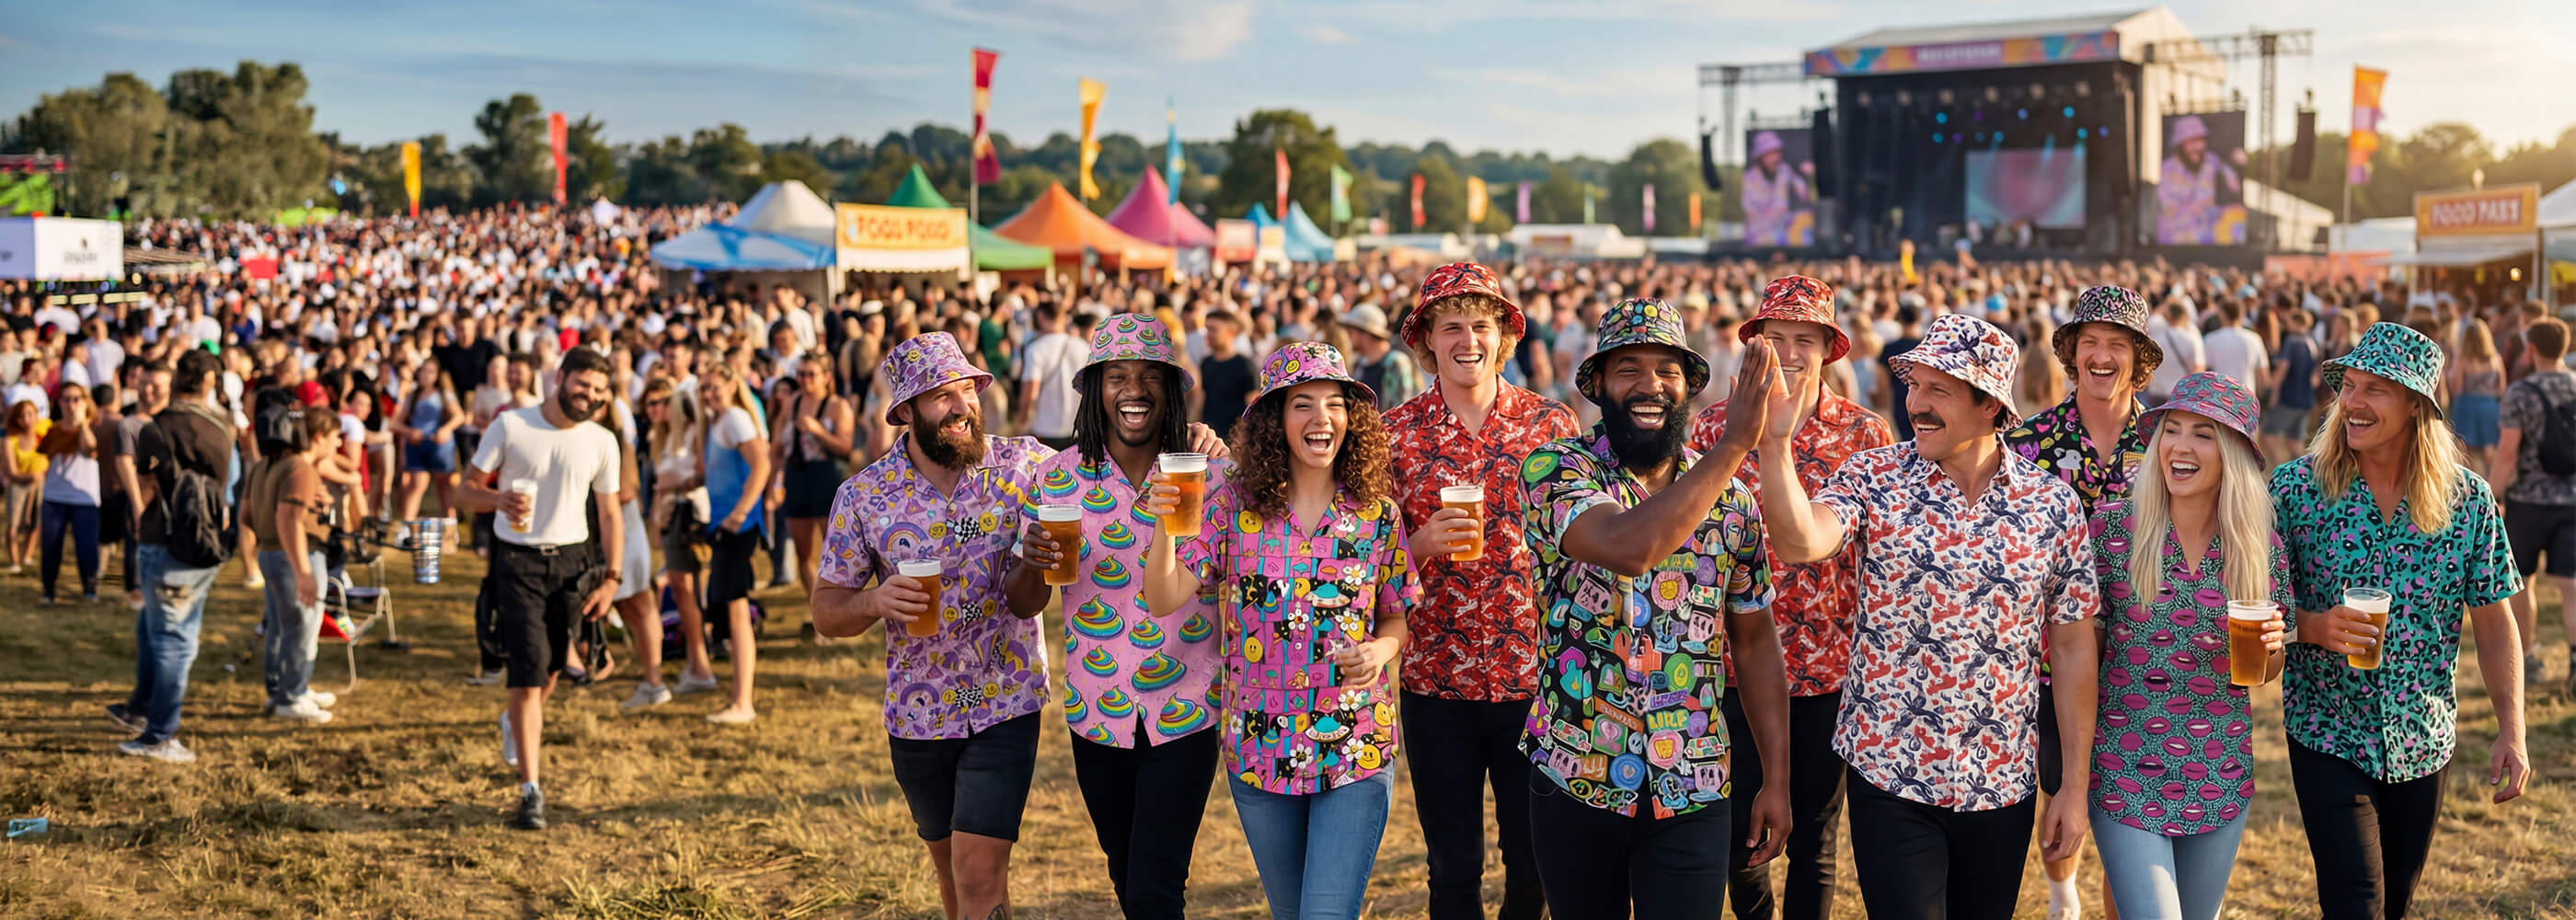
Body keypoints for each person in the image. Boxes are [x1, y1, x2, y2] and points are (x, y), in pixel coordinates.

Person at [1744, 313, 2100, 920]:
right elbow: (1803, 540)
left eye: (1939, 389)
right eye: (1914, 385)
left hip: (2001, 780)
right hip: (1891, 775)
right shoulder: (1873, 476)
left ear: (1990, 405)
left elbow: (2071, 650)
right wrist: (1775, 446)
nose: (1917, 403)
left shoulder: (2051, 506)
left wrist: (2073, 787)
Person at [1513, 296, 1792, 918]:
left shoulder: (1735, 501)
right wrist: (1734, 446)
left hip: (1691, 785)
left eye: (1667, 370)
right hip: (1575, 777)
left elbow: (1754, 641)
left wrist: (1776, 777)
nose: (1650, 385)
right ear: (1599, 386)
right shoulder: (1555, 469)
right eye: (1628, 368)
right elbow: (1630, 546)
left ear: (1689, 386)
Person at [1140, 341, 1413, 920]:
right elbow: (1162, 597)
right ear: (1274, 421)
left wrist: (1381, 650)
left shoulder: (1377, 514)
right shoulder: (1230, 507)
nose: (1322, 419)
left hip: (1355, 745)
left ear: (1351, 419)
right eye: (1302, 404)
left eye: (1335, 404)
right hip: (1260, 747)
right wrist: (1165, 526)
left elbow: (1396, 615)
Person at [2274, 322, 2527, 919]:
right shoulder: (2295, 492)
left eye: (2374, 390)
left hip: (2424, 739)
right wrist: (2312, 628)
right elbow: (2254, 606)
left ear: (2417, 406)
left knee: (2394, 906)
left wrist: (2512, 727)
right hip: (2326, 732)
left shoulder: (2467, 502)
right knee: (2355, 902)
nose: (2353, 403)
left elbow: (2495, 622)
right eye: (2349, 387)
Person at [811, 331, 1054, 920]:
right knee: (953, 876)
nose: (960, 406)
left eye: (966, 390)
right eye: (940, 396)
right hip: (918, 716)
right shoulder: (864, 495)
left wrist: (1196, 443)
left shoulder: (1027, 465)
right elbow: (824, 611)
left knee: (977, 872)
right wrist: (873, 603)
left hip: (1006, 699)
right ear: (906, 412)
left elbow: (1109, 474)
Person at [1685, 276, 1894, 920]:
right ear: (1755, 347)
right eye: (1776, 338)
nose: (1791, 352)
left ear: (1830, 350)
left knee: (1815, 841)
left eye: (1806, 339)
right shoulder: (1716, 427)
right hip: (1729, 666)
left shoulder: (1865, 434)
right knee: (1738, 837)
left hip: (1830, 671)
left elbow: (1880, 559)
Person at [1018, 314, 1229, 920]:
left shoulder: (1209, 474)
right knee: (1125, 870)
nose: (1133, 389)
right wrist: (1032, 564)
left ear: (1169, 388)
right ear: (1094, 390)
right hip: (1095, 710)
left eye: (1147, 377)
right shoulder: (1056, 478)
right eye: (1117, 376)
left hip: (1186, 706)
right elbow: (1026, 602)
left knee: (1155, 887)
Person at [1383, 263, 1576, 920]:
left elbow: (1583, 545)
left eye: (1482, 327)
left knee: (1534, 863)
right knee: (1453, 866)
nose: (1468, 340)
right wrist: (1417, 547)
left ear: (1504, 338)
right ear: (1427, 339)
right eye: (1452, 327)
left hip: (1535, 676)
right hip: (1435, 681)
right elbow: (1362, 564)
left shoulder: (1551, 427)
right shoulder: (1393, 434)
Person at [2086, 372, 2288, 919]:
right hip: (2125, 765)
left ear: (2231, 456)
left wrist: (2270, 650)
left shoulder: (2259, 548)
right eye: (2171, 430)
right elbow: (2082, 655)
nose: (2179, 445)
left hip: (2219, 768)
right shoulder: (2113, 531)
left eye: (2203, 434)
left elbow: (2264, 672)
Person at [2002, 284, 2163, 920]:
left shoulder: (2167, 444)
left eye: (2116, 344)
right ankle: (2063, 894)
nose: (2101, 355)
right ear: (2070, 354)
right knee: (2060, 789)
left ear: (2138, 359)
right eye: (2089, 342)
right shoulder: (2027, 445)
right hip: (2048, 661)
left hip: (2145, 656)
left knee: (2133, 810)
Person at [457, 346, 625, 830]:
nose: (588, 396)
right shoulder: (512, 426)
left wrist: (612, 578)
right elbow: (466, 489)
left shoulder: (602, 441)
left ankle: (514, 720)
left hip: (573, 563)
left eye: (598, 390)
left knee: (551, 667)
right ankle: (532, 791)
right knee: (528, 673)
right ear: (560, 378)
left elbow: (610, 514)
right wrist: (496, 498)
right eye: (582, 385)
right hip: (516, 561)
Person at [107, 349, 236, 764]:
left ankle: (155, 727)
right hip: (202, 542)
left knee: (167, 637)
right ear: (211, 383)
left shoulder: (156, 426)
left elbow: (146, 485)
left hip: (162, 540)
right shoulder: (222, 429)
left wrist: (140, 518)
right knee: (163, 632)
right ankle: (148, 721)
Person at [245, 408, 344, 724]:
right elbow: (288, 518)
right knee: (300, 627)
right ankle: (293, 696)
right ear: (318, 437)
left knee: (279, 626)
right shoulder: (299, 468)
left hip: (271, 553)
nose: (338, 443)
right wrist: (303, 571)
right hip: (295, 556)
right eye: (334, 437)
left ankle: (284, 688)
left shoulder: (265, 466)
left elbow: (246, 516)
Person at [2497, 317, 2576, 691]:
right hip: (2573, 500)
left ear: (2531, 349)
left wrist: (2494, 494)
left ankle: (2525, 659)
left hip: (2529, 500)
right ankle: (2574, 663)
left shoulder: (2521, 393)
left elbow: (2508, 452)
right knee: (2571, 587)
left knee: (2522, 582)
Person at [697, 362, 768, 724]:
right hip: (724, 525)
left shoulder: (736, 419)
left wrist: (740, 513)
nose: (709, 393)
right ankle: (738, 698)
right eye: (703, 387)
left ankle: (743, 702)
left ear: (730, 384)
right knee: (730, 609)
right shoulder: (718, 421)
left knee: (738, 612)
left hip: (738, 527)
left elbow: (761, 464)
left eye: (714, 386)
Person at [642, 377, 721, 696]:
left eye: (664, 404)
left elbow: (701, 475)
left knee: (686, 589)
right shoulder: (664, 437)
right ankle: (695, 661)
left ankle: (700, 665)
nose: (656, 410)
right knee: (684, 589)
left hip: (689, 515)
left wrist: (673, 486)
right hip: (674, 515)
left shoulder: (692, 435)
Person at [772, 349, 854, 594]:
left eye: (810, 374)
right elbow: (776, 447)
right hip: (795, 475)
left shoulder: (837, 406)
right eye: (800, 374)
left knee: (833, 546)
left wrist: (818, 431)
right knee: (802, 549)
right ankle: (815, 604)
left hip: (824, 476)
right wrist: (773, 485)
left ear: (826, 377)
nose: (804, 379)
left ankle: (838, 600)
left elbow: (846, 448)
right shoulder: (791, 403)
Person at [35, 385, 103, 604]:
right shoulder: (53, 431)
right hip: (54, 497)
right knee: (51, 546)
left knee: (87, 548)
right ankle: (48, 590)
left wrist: (82, 423)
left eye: (77, 399)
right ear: (59, 403)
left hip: (85, 498)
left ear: (85, 401)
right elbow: (43, 455)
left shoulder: (94, 428)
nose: (71, 404)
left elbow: (90, 449)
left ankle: (90, 589)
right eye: (66, 399)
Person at [113, 362, 173, 609]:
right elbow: (125, 464)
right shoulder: (129, 424)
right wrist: (138, 505)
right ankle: (137, 589)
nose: (148, 390)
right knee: (138, 548)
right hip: (142, 497)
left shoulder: (175, 422)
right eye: (143, 383)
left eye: (155, 385)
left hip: (171, 500)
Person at [393, 359, 465, 523]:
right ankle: (408, 527)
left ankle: (449, 530)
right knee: (417, 485)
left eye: (430, 371)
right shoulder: (412, 395)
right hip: (417, 445)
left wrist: (445, 429)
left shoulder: (444, 394)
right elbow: (395, 424)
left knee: (443, 487)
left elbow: (459, 416)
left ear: (437, 375)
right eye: (423, 371)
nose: (425, 375)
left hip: (440, 446)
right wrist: (411, 432)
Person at [2155, 115, 2245, 246]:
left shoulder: (2210, 160)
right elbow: (2170, 214)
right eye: (2191, 141)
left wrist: (2235, 164)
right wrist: (2198, 208)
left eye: (2200, 140)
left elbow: (2233, 183)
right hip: (2177, 235)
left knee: (2237, 216)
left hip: (2207, 229)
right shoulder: (2167, 171)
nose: (2197, 147)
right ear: (2180, 144)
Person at [1018, 300, 1085, 447]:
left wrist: (1021, 423)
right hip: (1079, 429)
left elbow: (1030, 393)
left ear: (1040, 317)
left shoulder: (1035, 350)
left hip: (1046, 430)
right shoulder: (1082, 346)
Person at [2446, 317, 2504, 477]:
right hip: (2489, 405)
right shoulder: (2495, 359)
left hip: (2467, 405)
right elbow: (2501, 388)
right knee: (2489, 448)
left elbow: (2456, 388)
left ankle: (2469, 490)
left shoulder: (2462, 358)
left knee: (2466, 452)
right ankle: (2492, 486)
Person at [2261, 308, 2321, 460]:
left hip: (2289, 397)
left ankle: (2279, 470)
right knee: (2294, 441)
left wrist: (2272, 390)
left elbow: (2282, 368)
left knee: (2267, 435)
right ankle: (2302, 475)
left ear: (2296, 322)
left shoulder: (2292, 341)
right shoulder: (2312, 341)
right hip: (2306, 398)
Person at [1341, 304, 1421, 411]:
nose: (1347, 336)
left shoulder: (1396, 363)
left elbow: (1402, 408)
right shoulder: (1358, 364)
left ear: (1365, 333)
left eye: (1351, 331)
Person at [1742, 131, 1814, 247]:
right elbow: (1750, 211)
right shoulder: (1750, 178)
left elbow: (1804, 194)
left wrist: (1805, 175)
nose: (1776, 158)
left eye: (1777, 153)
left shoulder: (1784, 171)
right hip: (1760, 240)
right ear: (1761, 156)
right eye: (1771, 153)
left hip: (1785, 239)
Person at [1198, 309, 1258, 435]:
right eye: (1207, 329)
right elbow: (1201, 399)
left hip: (1235, 440)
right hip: (1209, 439)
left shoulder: (1245, 365)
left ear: (1232, 333)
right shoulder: (1206, 363)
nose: (1208, 334)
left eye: (1213, 330)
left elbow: (1253, 407)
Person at [6, 399, 47, 571]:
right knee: (14, 525)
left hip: (40, 484)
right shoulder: (10, 440)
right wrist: (30, 477)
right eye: (22, 416)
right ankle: (15, 561)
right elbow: (11, 472)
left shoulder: (44, 430)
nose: (27, 419)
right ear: (17, 419)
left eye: (31, 414)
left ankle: (27, 556)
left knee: (35, 523)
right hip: (18, 485)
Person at [1879, 305, 1923, 440]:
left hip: (1899, 399)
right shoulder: (1925, 347)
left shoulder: (1890, 347)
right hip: (1924, 399)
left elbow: (1882, 380)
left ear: (1901, 320)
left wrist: (1885, 405)